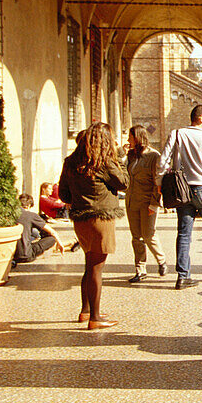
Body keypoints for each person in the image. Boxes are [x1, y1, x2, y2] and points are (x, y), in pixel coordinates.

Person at [58, 122, 128, 330]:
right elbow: (123, 183)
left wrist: (79, 198)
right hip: (101, 218)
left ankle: (86, 310)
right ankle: (95, 318)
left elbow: (63, 194)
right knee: (97, 268)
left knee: (90, 265)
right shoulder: (104, 162)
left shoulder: (71, 162)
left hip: (80, 219)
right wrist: (121, 158)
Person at [159, 104, 202, 289]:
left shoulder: (177, 134)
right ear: (201, 118)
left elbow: (164, 160)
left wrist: (159, 182)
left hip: (182, 190)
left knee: (184, 233)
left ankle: (182, 276)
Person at [124, 124, 166, 283]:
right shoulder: (130, 155)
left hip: (148, 202)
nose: (128, 140)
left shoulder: (153, 156)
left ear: (138, 137)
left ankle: (161, 260)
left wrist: (154, 204)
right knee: (136, 237)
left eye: (130, 137)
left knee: (148, 235)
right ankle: (140, 269)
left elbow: (158, 182)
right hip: (132, 201)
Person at [12, 193, 71, 266]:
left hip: (11, 254)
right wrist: (60, 243)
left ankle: (66, 244)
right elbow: (53, 232)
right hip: (26, 255)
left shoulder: (11, 214)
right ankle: (62, 245)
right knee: (51, 238)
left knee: (32, 233)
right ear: (29, 206)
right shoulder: (31, 215)